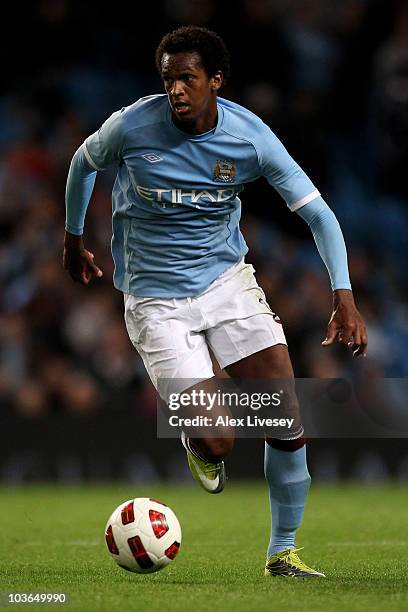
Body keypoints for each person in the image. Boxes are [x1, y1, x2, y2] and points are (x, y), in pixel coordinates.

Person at [63, 25, 368, 578]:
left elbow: (318, 214)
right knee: (219, 440)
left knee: (285, 416)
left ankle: (283, 552)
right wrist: (72, 235)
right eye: (168, 79)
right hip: (154, 299)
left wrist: (342, 294)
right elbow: (83, 164)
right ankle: (202, 438)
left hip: (225, 282)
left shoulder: (250, 139)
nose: (176, 89)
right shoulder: (131, 126)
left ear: (215, 82)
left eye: (187, 78)